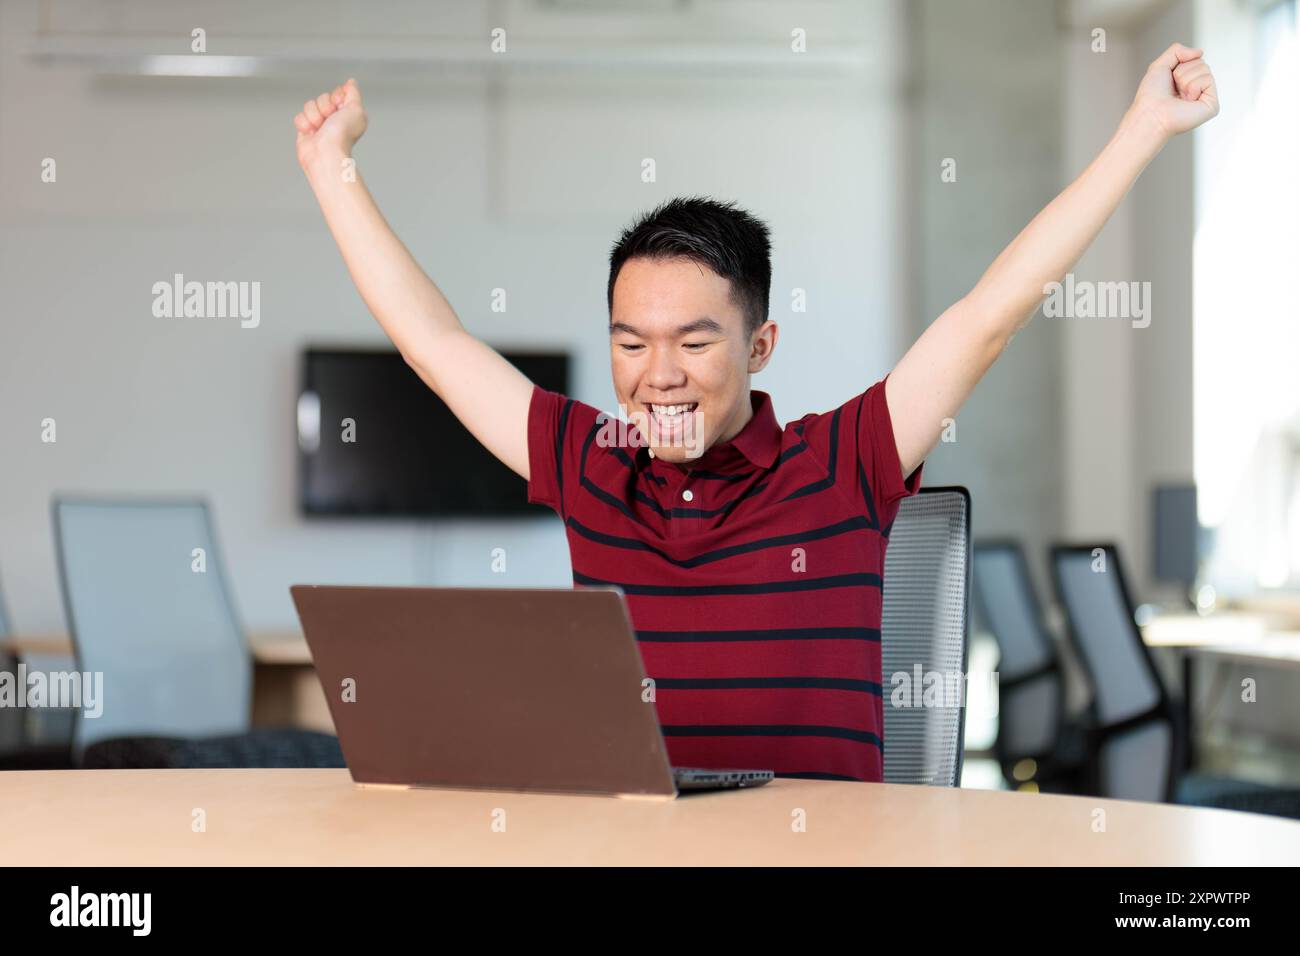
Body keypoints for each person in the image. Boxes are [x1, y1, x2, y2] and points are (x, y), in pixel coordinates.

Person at [293, 45, 1218, 782]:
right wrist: (332, 168)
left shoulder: (847, 457)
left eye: (695, 344)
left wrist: (1144, 126)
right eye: (630, 342)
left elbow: (986, 318)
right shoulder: (591, 459)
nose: (658, 376)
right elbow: (436, 347)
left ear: (760, 347)